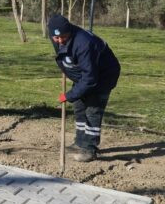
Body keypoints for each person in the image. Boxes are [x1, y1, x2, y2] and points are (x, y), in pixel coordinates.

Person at [48, 14, 120, 162]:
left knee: (93, 110)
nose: (60, 40)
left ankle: (89, 148)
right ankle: (80, 142)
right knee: (79, 107)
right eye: (56, 38)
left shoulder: (84, 43)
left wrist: (69, 95)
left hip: (103, 76)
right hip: (84, 75)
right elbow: (66, 56)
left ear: (69, 31)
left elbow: (90, 79)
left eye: (63, 36)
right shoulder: (57, 36)